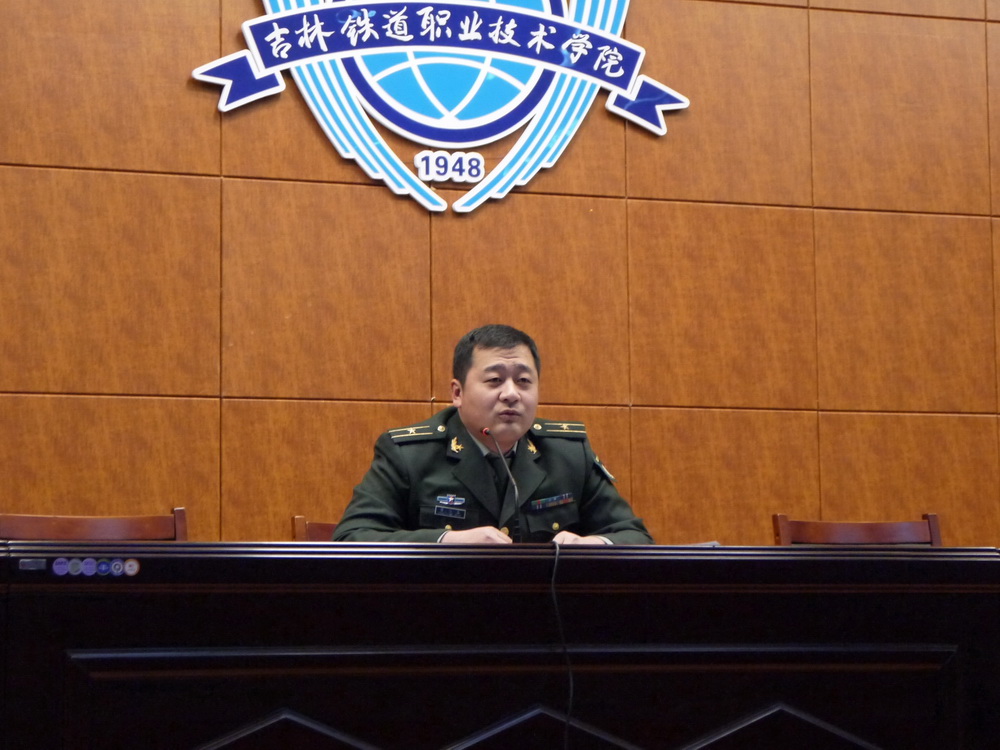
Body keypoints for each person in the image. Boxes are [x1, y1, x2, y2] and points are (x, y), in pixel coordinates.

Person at [332, 324, 653, 545]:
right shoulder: (410, 454)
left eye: (524, 381)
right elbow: (353, 537)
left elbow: (635, 537)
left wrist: (594, 544)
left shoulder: (568, 453)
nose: (511, 394)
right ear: (457, 393)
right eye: (495, 380)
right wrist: (448, 540)